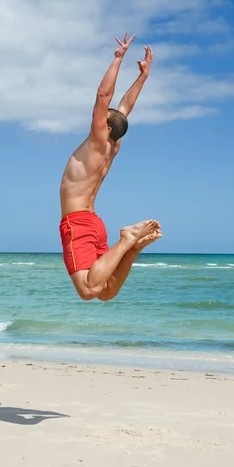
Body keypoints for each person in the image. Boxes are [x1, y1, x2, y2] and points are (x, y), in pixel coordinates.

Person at [59, 33, 162, 301]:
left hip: (77, 222)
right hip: (94, 222)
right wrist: (143, 77)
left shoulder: (97, 142)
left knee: (87, 290)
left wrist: (118, 58)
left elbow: (103, 95)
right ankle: (133, 248)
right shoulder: (113, 146)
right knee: (106, 292)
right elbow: (123, 110)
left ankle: (128, 238)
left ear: (104, 127)